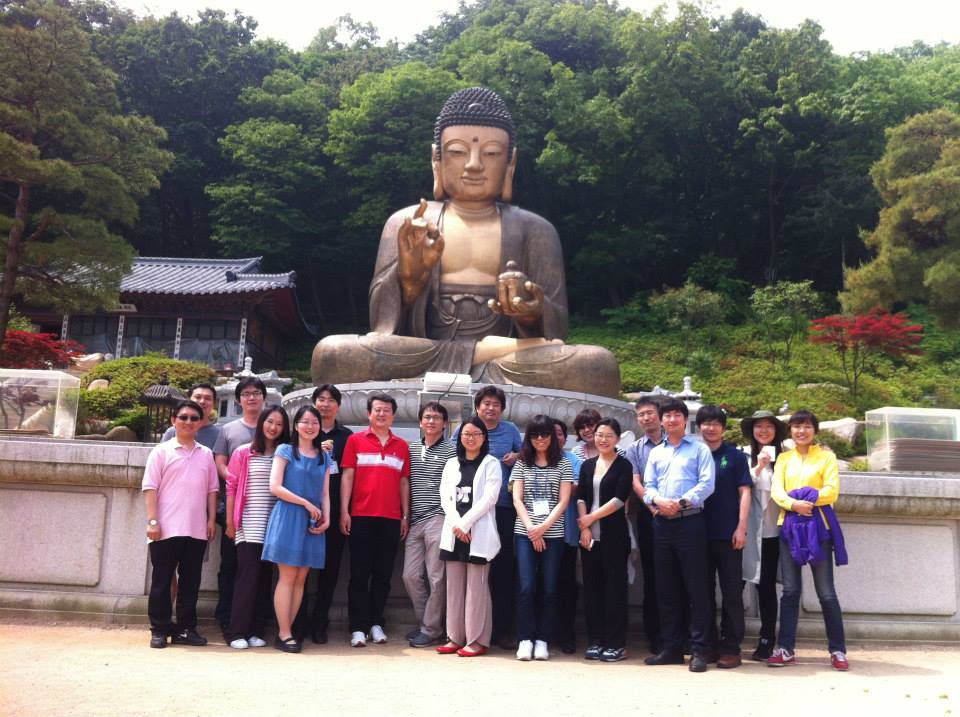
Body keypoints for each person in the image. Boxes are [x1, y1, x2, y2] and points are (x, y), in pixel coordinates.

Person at [311, 86, 621, 398]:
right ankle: (480, 360)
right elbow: (381, 326)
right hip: (426, 351)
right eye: (458, 152)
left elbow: (557, 331)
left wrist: (530, 311)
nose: (474, 164)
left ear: (510, 162)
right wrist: (409, 280)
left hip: (508, 359)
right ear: (437, 159)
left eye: (491, 153)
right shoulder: (409, 222)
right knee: (333, 353)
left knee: (596, 364)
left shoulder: (535, 229)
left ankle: (477, 361)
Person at [768, 410, 849, 671]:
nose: (801, 431)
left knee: (826, 592)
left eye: (806, 426)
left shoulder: (826, 457)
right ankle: (785, 648)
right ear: (790, 431)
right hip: (789, 528)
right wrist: (794, 504)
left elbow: (832, 491)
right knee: (790, 591)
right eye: (796, 426)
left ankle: (837, 650)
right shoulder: (783, 459)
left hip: (819, 528)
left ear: (815, 430)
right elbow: (776, 490)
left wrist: (806, 500)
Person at [642, 398, 715, 672]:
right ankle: (671, 648)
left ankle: (700, 650)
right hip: (662, 524)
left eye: (677, 415)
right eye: (667, 415)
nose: (672, 420)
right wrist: (658, 501)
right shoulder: (656, 453)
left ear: (685, 420)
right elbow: (648, 486)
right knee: (666, 588)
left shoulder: (699, 449)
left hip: (690, 522)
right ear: (661, 421)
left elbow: (707, 484)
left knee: (697, 588)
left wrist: (681, 503)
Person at [142, 399, 218, 648]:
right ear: (173, 420)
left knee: (191, 583)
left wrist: (211, 519)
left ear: (200, 423)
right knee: (162, 581)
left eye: (194, 418)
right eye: (183, 417)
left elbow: (212, 490)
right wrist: (153, 521)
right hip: (165, 528)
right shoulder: (161, 451)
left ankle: (186, 628)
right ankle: (159, 629)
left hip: (196, 529)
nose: (188, 422)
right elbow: (150, 487)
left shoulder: (206, 454)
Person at [340, 393, 411, 647]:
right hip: (361, 516)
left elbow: (404, 482)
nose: (382, 414)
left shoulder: (401, 446)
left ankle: (376, 622)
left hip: (391, 518)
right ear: (368, 413)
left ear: (393, 415)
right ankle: (357, 626)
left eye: (386, 410)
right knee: (359, 574)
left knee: (383, 574)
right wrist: (344, 511)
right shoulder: (355, 441)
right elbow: (348, 476)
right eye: (377, 410)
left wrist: (405, 515)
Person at [261, 405, 331, 653]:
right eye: (305, 422)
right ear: (296, 425)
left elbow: (325, 492)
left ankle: (287, 632)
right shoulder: (285, 450)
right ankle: (284, 633)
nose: (310, 426)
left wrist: (327, 518)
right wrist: (305, 503)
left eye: (315, 422)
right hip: (289, 516)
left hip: (313, 520)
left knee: (301, 579)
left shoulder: (324, 456)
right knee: (288, 577)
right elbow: (275, 487)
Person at [223, 405, 290, 650]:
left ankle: (255, 630)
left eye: (279, 424)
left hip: (275, 527)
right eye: (270, 422)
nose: (273, 427)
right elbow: (231, 487)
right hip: (249, 524)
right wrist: (230, 522)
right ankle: (236, 631)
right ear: (261, 423)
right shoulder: (244, 452)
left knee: (265, 580)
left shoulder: (285, 454)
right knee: (247, 578)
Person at [436, 416, 502, 657]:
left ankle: (477, 640)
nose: (471, 438)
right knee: (454, 588)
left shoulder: (491, 463)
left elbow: (490, 498)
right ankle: (455, 636)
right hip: (454, 532)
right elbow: (445, 496)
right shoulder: (451, 463)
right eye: (466, 434)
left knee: (477, 588)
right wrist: (458, 524)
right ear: (460, 437)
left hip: (478, 532)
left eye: (476, 434)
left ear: (484, 437)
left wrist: (466, 524)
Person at [294, 384, 353, 644]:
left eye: (331, 400)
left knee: (330, 570)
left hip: (334, 510)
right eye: (321, 399)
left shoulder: (347, 436)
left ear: (338, 406)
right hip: (303, 509)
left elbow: (349, 475)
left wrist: (344, 512)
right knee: (300, 570)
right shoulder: (304, 433)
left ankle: (320, 622)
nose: (325, 404)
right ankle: (298, 622)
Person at [511, 414, 574, 661]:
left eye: (545, 434)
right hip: (524, 532)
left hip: (553, 533)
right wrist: (531, 529)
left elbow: (564, 501)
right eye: (535, 434)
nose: (540, 439)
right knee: (526, 586)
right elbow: (517, 499)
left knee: (548, 588)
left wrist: (543, 528)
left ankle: (542, 639)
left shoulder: (563, 463)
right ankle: (525, 638)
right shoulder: (521, 463)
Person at [697, 405, 752, 669]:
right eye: (706, 423)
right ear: (699, 427)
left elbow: (745, 492)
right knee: (702, 592)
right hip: (697, 534)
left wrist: (741, 527)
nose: (711, 428)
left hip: (729, 535)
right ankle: (707, 645)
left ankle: (731, 647)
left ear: (723, 427)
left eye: (716, 423)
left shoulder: (735, 457)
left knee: (732, 592)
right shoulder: (693, 455)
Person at [469, 385, 522, 650]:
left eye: (496, 404)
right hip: (472, 511)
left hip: (503, 509)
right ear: (477, 406)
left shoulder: (510, 430)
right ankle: (469, 628)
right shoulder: (467, 429)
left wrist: (517, 457)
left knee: (503, 569)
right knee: (473, 570)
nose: (491, 408)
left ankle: (502, 630)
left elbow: (528, 456)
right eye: (486, 403)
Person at [212, 376, 266, 635]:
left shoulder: (273, 426)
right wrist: (234, 476)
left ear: (264, 397)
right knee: (231, 565)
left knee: (262, 568)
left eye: (256, 393)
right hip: (233, 508)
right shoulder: (228, 430)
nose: (251, 397)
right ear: (238, 400)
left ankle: (257, 621)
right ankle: (226, 616)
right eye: (246, 394)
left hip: (264, 509)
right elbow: (219, 462)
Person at [576, 418, 632, 663]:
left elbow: (619, 500)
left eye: (609, 435)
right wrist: (585, 526)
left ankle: (616, 643)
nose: (603, 439)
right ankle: (596, 640)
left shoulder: (624, 465)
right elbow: (581, 496)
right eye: (599, 434)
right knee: (593, 590)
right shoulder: (587, 465)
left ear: (617, 439)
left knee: (615, 590)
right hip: (589, 536)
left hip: (614, 535)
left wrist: (591, 518)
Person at [403, 402, 456, 648]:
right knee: (410, 576)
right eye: (427, 417)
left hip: (439, 517)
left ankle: (430, 629)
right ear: (420, 422)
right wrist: (405, 516)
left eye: (436, 417)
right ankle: (427, 623)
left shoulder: (451, 450)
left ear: (445, 423)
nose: (431, 421)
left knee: (436, 577)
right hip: (415, 520)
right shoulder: (412, 448)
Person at [739, 409, 787, 661]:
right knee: (736, 585)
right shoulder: (743, 456)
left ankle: (767, 639)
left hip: (773, 534)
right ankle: (732, 638)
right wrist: (758, 466)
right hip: (744, 531)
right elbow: (739, 486)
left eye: (769, 426)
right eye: (759, 426)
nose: (764, 430)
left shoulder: (786, 459)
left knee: (766, 588)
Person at [626, 397, 665, 654]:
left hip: (679, 512)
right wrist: (652, 505)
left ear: (660, 415)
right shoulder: (635, 449)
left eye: (650, 413)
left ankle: (680, 632)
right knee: (652, 573)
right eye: (641, 414)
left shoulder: (678, 443)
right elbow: (635, 481)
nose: (646, 418)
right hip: (649, 514)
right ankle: (655, 635)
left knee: (679, 574)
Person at [553, 418, 582, 654]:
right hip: (539, 532)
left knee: (565, 584)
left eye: (560, 433)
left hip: (566, 533)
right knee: (539, 584)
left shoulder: (573, 460)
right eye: (549, 433)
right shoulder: (531, 459)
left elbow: (577, 489)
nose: (555, 438)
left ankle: (565, 634)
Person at [160, 383, 220, 449]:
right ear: (188, 400)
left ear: (214, 404)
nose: (202, 401)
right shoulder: (173, 432)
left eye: (207, 398)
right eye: (198, 397)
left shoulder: (219, 435)